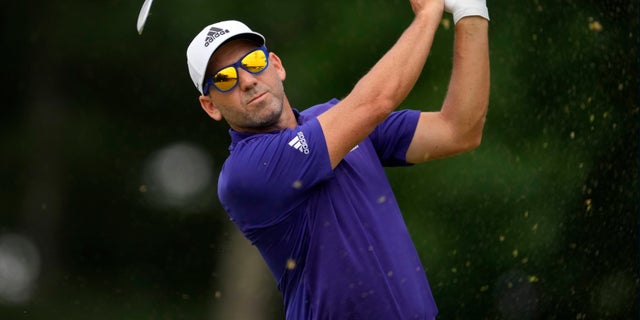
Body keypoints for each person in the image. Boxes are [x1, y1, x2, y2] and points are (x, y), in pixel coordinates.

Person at [186, 0, 489, 318]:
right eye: (224, 79)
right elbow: (375, 103)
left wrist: (471, 13)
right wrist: (429, 13)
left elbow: (459, 130)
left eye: (254, 61)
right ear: (211, 106)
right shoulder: (245, 172)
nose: (247, 80)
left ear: (276, 65)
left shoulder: (335, 119)